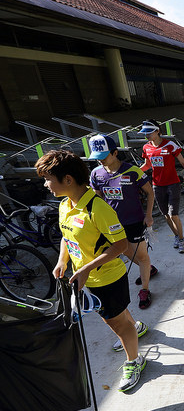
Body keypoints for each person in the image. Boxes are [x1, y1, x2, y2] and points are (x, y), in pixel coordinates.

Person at [35, 150, 147, 392]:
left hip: (106, 278)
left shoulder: (99, 209)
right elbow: (67, 236)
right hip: (86, 278)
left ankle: (134, 360)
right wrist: (62, 261)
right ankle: (135, 330)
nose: (46, 185)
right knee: (118, 315)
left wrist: (86, 268)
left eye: (48, 179)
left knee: (115, 323)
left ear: (68, 179)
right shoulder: (65, 205)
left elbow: (122, 245)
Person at [88, 135, 157, 310]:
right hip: (112, 226)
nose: (101, 161)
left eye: (104, 156)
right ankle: (147, 268)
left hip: (134, 222)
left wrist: (148, 215)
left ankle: (145, 289)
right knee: (128, 254)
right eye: (97, 158)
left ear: (115, 153)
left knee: (141, 256)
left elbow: (150, 193)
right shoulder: (96, 174)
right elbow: (99, 199)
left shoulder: (133, 171)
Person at [139, 119, 184, 253]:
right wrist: (134, 172)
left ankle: (182, 239)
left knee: (173, 214)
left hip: (173, 184)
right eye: (145, 133)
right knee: (166, 215)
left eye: (149, 132)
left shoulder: (170, 145)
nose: (147, 135)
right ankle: (177, 236)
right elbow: (147, 165)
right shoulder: (146, 148)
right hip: (157, 186)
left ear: (157, 131)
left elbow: (183, 164)